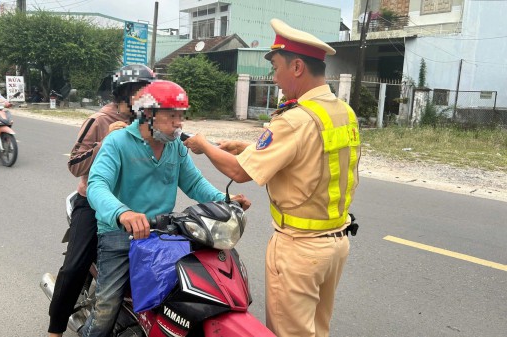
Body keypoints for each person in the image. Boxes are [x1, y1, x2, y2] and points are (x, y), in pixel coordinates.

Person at [183, 18, 361, 337]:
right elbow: (307, 156)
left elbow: (239, 172)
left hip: (299, 249)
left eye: (276, 67)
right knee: (318, 330)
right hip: (335, 243)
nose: (274, 78)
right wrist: (247, 147)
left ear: (296, 67)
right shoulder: (340, 112)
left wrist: (204, 145)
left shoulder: (295, 120)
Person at [80, 80, 250, 337]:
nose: (179, 124)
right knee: (106, 307)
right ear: (148, 114)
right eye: (172, 116)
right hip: (120, 234)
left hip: (162, 233)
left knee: (186, 293)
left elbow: (193, 183)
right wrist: (123, 213)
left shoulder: (175, 146)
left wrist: (225, 200)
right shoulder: (118, 141)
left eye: (181, 117)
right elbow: (97, 185)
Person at [47, 64, 156, 337]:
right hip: (94, 204)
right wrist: (104, 142)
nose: (147, 97)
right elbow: (74, 165)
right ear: (124, 93)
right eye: (140, 91)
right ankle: (55, 330)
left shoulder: (149, 122)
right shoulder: (99, 121)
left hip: (134, 206)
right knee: (74, 268)